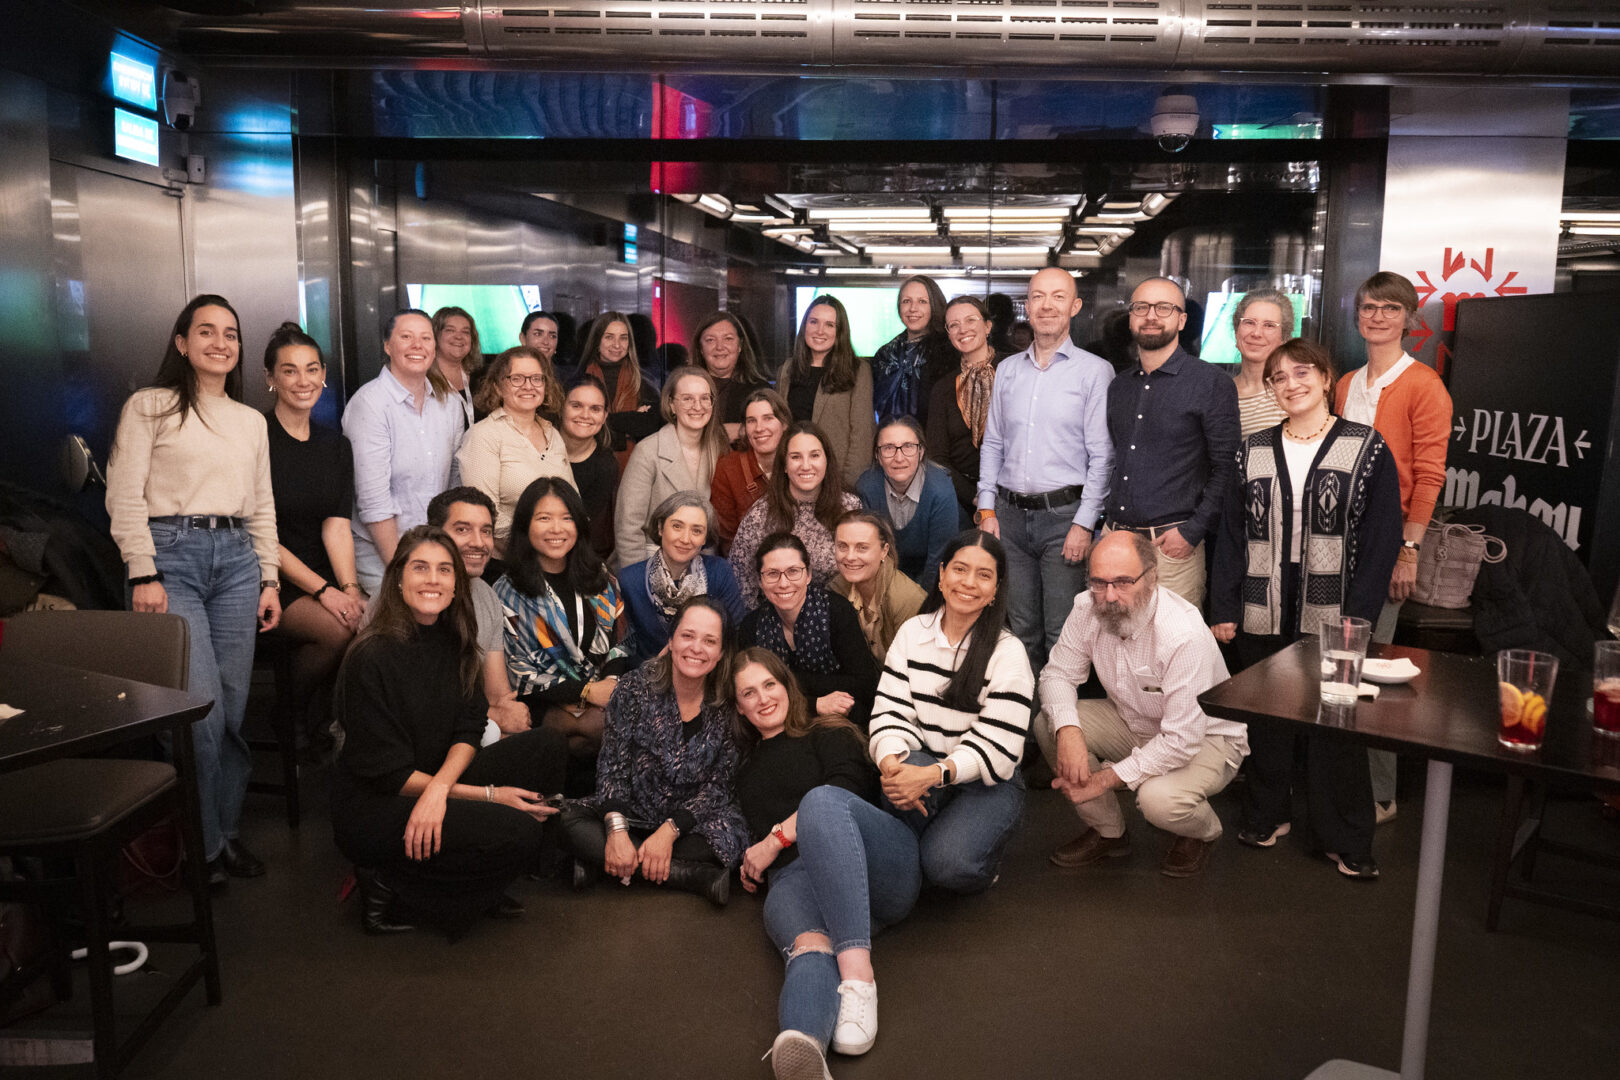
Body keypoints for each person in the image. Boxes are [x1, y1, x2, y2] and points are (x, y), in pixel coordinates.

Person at [1211, 338, 1403, 880]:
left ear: (1325, 378)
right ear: (1269, 389)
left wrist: (1359, 617)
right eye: (1278, 377)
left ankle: (1343, 835)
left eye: (1302, 373)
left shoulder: (1366, 447)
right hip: (1260, 604)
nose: (1291, 384)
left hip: (1337, 609)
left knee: (1335, 726)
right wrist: (1223, 604)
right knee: (1267, 719)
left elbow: (1383, 537)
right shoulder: (1252, 450)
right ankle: (1268, 814)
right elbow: (1231, 535)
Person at [106, 294, 281, 886]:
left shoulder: (250, 420)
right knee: (197, 714)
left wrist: (270, 578)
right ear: (181, 343)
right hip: (170, 559)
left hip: (236, 562)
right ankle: (200, 848)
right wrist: (142, 571)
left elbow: (261, 506)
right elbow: (124, 495)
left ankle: (223, 836)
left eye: (230, 333)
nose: (219, 343)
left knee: (231, 713)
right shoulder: (149, 407)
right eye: (205, 332)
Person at [332, 525, 561, 934]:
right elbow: (387, 774)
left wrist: (441, 789)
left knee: (546, 746)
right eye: (420, 568)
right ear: (398, 578)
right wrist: (488, 796)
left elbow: (470, 726)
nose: (433, 580)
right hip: (378, 804)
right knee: (520, 832)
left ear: (457, 585)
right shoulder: (371, 656)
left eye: (444, 570)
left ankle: (470, 881)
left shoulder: (455, 639)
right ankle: (391, 885)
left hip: (432, 779)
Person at [731, 649, 910, 1077]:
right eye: (749, 693)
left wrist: (773, 839)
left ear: (787, 685)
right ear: (739, 707)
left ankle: (859, 980)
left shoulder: (828, 731)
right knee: (809, 949)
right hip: (796, 879)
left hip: (874, 863)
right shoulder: (745, 770)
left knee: (821, 802)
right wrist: (751, 857)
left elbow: (846, 789)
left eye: (770, 684)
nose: (763, 698)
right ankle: (804, 1046)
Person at [1034, 531, 1250, 878]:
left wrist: (1105, 779)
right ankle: (1109, 833)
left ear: (1152, 577)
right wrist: (1069, 731)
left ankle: (1204, 832)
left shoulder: (1183, 633)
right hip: (1135, 723)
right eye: (1099, 582)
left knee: (1157, 800)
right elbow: (1056, 675)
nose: (1109, 596)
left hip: (1206, 739)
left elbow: (1182, 740)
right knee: (1051, 725)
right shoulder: (1086, 608)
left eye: (1122, 582)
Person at [1335, 271, 1455, 823]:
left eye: (1390, 308)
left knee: (1370, 674)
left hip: (1388, 546)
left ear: (1410, 318)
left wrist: (1409, 550)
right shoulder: (1345, 383)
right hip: (1336, 545)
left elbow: (1429, 476)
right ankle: (1338, 783)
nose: (1377, 316)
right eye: (1368, 306)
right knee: (1335, 668)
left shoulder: (1423, 384)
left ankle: (1380, 795)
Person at [868, 531, 1033, 894]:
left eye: (984, 575)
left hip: (987, 782)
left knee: (947, 866)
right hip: (925, 763)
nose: (969, 583)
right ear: (941, 575)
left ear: (995, 591)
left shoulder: (1009, 653)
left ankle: (980, 856)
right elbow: (890, 713)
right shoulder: (913, 632)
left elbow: (997, 747)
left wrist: (932, 775)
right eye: (960, 569)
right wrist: (892, 764)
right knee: (894, 784)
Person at [558, 597, 748, 905]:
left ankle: (608, 865)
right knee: (566, 820)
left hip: (692, 824)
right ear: (671, 640)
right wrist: (617, 831)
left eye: (709, 640)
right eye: (687, 635)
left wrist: (669, 832)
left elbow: (720, 786)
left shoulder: (729, 700)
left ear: (721, 652)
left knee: (732, 837)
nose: (696, 648)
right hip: (635, 812)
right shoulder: (634, 688)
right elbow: (612, 768)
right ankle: (687, 875)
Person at [976, 267, 1114, 672]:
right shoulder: (1008, 370)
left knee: (1062, 633)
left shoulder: (1094, 371)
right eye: (1038, 296)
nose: (1047, 305)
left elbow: (1103, 456)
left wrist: (1085, 524)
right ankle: (1023, 727)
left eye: (1058, 296)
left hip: (1064, 521)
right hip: (1009, 520)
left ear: (1075, 306)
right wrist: (986, 510)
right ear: (1027, 306)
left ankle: (1057, 731)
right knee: (1020, 633)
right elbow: (994, 443)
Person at [1104, 276, 1240, 608]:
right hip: (1115, 541)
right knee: (1112, 647)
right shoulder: (1119, 386)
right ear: (1131, 318)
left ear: (1181, 320)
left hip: (1172, 547)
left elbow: (1228, 468)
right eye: (1141, 307)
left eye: (1164, 307)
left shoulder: (1211, 383)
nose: (1151, 315)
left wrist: (1193, 531)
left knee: (1174, 652)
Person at [260, 322, 365, 752]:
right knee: (335, 631)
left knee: (366, 624)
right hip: (270, 573)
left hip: (321, 567)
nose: (302, 381)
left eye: (311, 369)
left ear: (323, 374)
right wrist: (325, 592)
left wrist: (350, 588)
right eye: (289, 370)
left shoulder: (335, 444)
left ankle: (326, 718)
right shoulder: (256, 437)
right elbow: (260, 532)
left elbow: (336, 523)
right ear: (270, 378)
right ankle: (288, 710)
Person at [495, 477, 631, 758]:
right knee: (606, 727)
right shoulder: (508, 591)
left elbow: (622, 640)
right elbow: (520, 670)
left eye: (566, 518)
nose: (556, 529)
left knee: (588, 738)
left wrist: (609, 685)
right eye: (544, 518)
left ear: (579, 525)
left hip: (602, 693)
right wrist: (587, 692)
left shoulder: (600, 577)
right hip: (540, 699)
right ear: (525, 525)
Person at [425, 487, 560, 753]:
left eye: (485, 531)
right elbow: (414, 703)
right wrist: (494, 717)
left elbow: (498, 694)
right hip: (410, 740)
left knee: (545, 746)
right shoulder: (414, 594)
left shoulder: (484, 594)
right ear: (435, 535)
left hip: (467, 730)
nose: (478, 542)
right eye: (462, 529)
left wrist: (504, 714)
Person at [343, 308, 465, 592]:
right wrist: (402, 572)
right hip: (381, 554)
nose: (417, 346)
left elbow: (454, 483)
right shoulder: (370, 404)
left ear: (434, 347)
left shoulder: (450, 403)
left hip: (435, 551)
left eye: (425, 338)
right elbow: (373, 502)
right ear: (387, 345)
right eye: (406, 337)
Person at [740, 533, 880, 730]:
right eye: (772, 573)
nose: (784, 583)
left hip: (840, 719)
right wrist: (815, 704)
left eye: (793, 571)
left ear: (808, 575)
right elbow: (751, 698)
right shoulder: (751, 627)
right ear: (760, 582)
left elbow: (864, 685)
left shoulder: (836, 611)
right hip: (779, 723)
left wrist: (787, 679)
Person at [730, 422, 862, 609]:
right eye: (795, 457)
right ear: (784, 465)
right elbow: (741, 584)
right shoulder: (759, 517)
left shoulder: (850, 508)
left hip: (840, 618)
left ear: (827, 460)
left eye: (814, 455)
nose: (806, 465)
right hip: (775, 620)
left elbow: (864, 574)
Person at [456, 346, 574, 549]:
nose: (529, 386)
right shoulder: (484, 435)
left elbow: (573, 501)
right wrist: (535, 551)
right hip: (509, 561)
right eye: (517, 378)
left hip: (558, 552)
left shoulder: (552, 433)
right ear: (498, 387)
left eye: (537, 378)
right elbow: (485, 516)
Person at [613, 366, 729, 569]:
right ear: (671, 405)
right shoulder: (647, 451)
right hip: (651, 565)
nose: (697, 406)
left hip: (701, 568)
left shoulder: (719, 449)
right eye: (687, 398)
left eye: (705, 398)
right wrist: (639, 581)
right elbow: (628, 528)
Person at [620, 491, 746, 662]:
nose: (686, 539)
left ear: (705, 538)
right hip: (648, 678)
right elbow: (623, 648)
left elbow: (735, 635)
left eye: (697, 530)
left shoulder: (719, 572)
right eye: (677, 526)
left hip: (707, 674)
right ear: (660, 528)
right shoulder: (629, 580)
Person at [776, 296, 874, 486]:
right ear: (805, 326)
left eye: (830, 325)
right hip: (793, 478)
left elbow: (861, 437)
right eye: (814, 322)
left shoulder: (858, 370)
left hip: (836, 480)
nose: (820, 331)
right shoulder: (787, 370)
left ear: (840, 332)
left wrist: (847, 487)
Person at [854, 416, 958, 593]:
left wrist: (919, 607)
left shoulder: (941, 490)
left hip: (932, 571)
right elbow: (869, 553)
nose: (899, 458)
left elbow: (939, 559)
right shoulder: (867, 487)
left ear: (921, 451)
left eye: (908, 447)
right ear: (877, 455)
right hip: (888, 571)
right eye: (888, 448)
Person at [927, 295, 1001, 520]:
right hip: (963, 498)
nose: (962, 329)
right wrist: (976, 498)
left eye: (970, 320)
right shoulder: (943, 387)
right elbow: (937, 457)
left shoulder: (1013, 371)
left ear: (987, 326)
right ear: (948, 334)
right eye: (954, 325)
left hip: (1013, 494)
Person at [830, 510, 926, 664]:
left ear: (884, 551)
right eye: (842, 546)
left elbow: (917, 669)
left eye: (862, 548)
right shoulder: (835, 589)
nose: (850, 556)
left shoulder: (907, 600)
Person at [711, 388, 790, 553]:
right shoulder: (727, 469)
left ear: (784, 424)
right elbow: (728, 541)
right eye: (751, 421)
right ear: (744, 428)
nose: (759, 428)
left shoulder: (799, 462)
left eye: (768, 418)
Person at [870, 275, 954, 427]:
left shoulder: (948, 353)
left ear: (935, 305)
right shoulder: (884, 355)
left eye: (922, 301)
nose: (913, 308)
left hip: (935, 444)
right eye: (906, 301)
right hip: (889, 442)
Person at [577, 310, 660, 453]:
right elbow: (574, 429)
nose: (617, 345)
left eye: (623, 338)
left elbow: (651, 425)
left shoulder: (644, 383)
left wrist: (599, 421)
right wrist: (629, 422)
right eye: (609, 337)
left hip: (636, 466)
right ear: (597, 341)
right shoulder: (578, 380)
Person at [558, 374, 620, 562]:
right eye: (576, 406)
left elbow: (579, 524)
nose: (585, 415)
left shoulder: (605, 465)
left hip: (570, 552)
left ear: (604, 416)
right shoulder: (538, 443)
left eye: (595, 409)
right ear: (561, 408)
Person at [692, 311, 768, 445]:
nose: (719, 347)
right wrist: (724, 432)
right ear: (701, 348)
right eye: (710, 340)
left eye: (728, 339)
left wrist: (742, 431)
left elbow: (773, 431)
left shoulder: (760, 390)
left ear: (740, 345)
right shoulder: (685, 387)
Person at [1230, 289, 1294, 437]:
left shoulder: (1295, 391)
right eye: (1249, 323)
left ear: (1284, 338)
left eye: (1269, 325)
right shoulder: (1218, 393)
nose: (1257, 333)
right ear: (1236, 332)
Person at [430, 305, 482, 428]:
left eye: (465, 332)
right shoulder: (422, 381)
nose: (459, 336)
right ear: (435, 336)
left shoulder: (482, 378)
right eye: (450, 330)